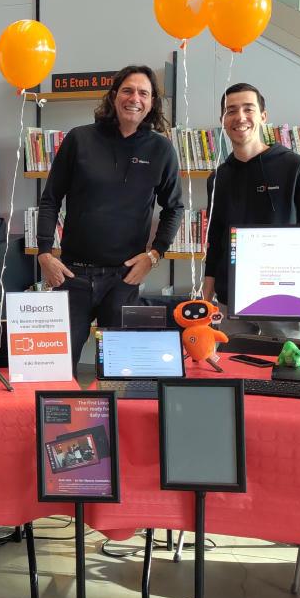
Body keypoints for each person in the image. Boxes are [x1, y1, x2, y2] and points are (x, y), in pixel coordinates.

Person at [35, 65, 184, 371]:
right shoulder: (79, 139)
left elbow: (174, 208)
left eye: (144, 93)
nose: (135, 98)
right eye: (128, 90)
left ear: (152, 102)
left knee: (121, 369)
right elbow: (50, 198)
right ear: (114, 96)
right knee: (56, 368)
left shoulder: (161, 149)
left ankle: (115, 419)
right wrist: (44, 253)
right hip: (72, 275)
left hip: (123, 278)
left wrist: (155, 256)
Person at [202, 83, 300, 340]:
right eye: (231, 110)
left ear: (263, 116)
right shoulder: (218, 178)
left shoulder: (296, 167)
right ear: (223, 120)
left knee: (290, 375)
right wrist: (206, 296)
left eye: (248, 109)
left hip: (284, 301)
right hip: (231, 302)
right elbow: (215, 239)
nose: (240, 117)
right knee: (236, 374)